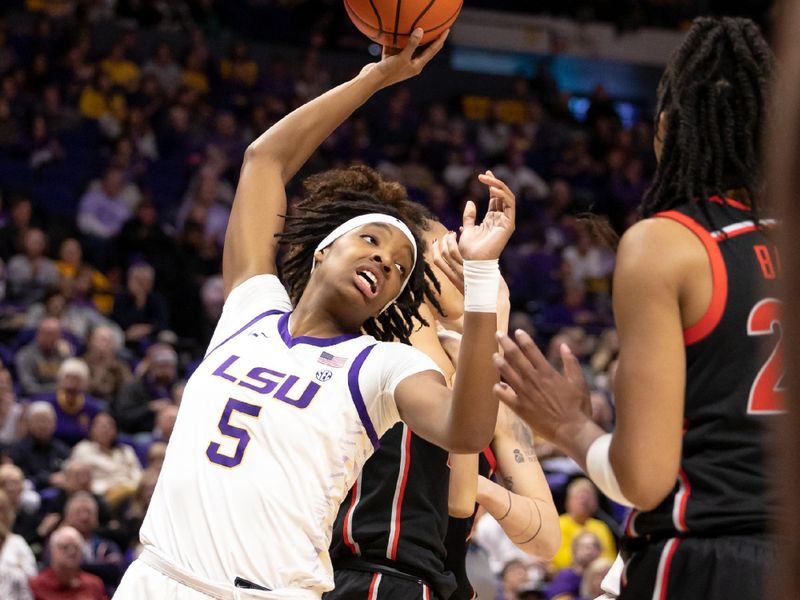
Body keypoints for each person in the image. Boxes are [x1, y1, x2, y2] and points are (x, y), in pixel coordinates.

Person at [115, 28, 515, 599]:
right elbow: (264, 160)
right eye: (372, 241)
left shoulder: (380, 365)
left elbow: (467, 429)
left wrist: (480, 279)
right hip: (154, 579)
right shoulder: (251, 310)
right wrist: (375, 77)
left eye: (402, 268)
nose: (386, 260)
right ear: (325, 247)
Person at [493, 17, 778, 600]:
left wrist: (571, 428)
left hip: (706, 559)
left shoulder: (668, 243)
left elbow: (643, 483)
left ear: (667, 130)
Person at [326, 218, 559, 600]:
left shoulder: (494, 394)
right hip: (360, 570)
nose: (461, 262)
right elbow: (455, 499)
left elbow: (546, 540)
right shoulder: (382, 357)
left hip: (436, 580)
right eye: (448, 252)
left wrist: (487, 490)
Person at [28, 525, 108, 600]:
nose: (71, 551)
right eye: (65, 547)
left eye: (76, 547)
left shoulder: (94, 584)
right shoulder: (37, 585)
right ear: (51, 550)